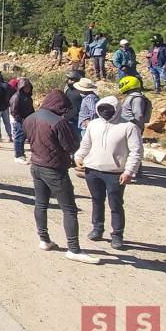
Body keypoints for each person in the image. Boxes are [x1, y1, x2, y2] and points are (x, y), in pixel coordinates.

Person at [22, 89, 98, 264]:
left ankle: (44, 239)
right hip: (55, 169)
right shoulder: (58, 122)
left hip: (36, 165)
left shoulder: (30, 118)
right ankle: (73, 248)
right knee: (69, 209)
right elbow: (70, 145)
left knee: (41, 203)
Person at [74, 96, 142, 250]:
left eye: (109, 109)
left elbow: (136, 151)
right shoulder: (94, 125)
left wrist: (129, 171)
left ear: (116, 109)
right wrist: (78, 157)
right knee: (96, 200)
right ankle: (97, 228)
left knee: (116, 204)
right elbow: (86, 144)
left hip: (115, 173)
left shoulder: (129, 127)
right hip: (92, 170)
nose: (105, 112)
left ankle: (117, 235)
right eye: (102, 109)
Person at [9, 77, 34, 164]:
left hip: (27, 120)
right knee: (19, 138)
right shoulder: (16, 97)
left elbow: (31, 109)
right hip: (19, 121)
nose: (27, 89)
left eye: (29, 87)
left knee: (23, 138)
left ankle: (22, 154)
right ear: (21, 87)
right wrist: (20, 119)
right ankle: (18, 156)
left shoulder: (28, 97)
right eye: (25, 87)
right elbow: (14, 111)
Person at [63, 70, 84, 142]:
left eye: (72, 79)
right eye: (68, 79)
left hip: (79, 120)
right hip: (69, 118)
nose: (69, 81)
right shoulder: (67, 89)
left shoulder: (82, 91)